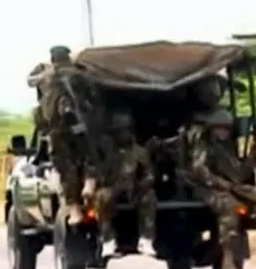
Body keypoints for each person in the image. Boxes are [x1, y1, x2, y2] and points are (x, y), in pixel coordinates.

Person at [181, 108, 256, 269]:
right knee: (231, 208)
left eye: (226, 128)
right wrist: (221, 183)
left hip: (231, 186)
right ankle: (228, 258)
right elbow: (199, 171)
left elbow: (239, 174)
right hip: (205, 188)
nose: (222, 132)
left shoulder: (227, 149)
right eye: (219, 128)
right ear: (211, 129)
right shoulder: (203, 146)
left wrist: (252, 158)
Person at [26, 45, 95, 225]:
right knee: (91, 156)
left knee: (66, 169)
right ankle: (90, 182)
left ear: (53, 59)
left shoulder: (46, 78)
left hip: (57, 132)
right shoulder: (80, 75)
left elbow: (30, 80)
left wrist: (44, 69)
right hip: (81, 127)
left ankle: (75, 210)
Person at [94, 112, 157, 256]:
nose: (123, 134)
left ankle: (146, 240)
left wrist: (143, 183)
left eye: (126, 130)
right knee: (102, 197)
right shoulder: (106, 151)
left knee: (149, 197)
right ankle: (108, 240)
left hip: (134, 189)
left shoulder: (140, 152)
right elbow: (95, 171)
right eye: (119, 130)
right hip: (112, 187)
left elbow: (150, 174)